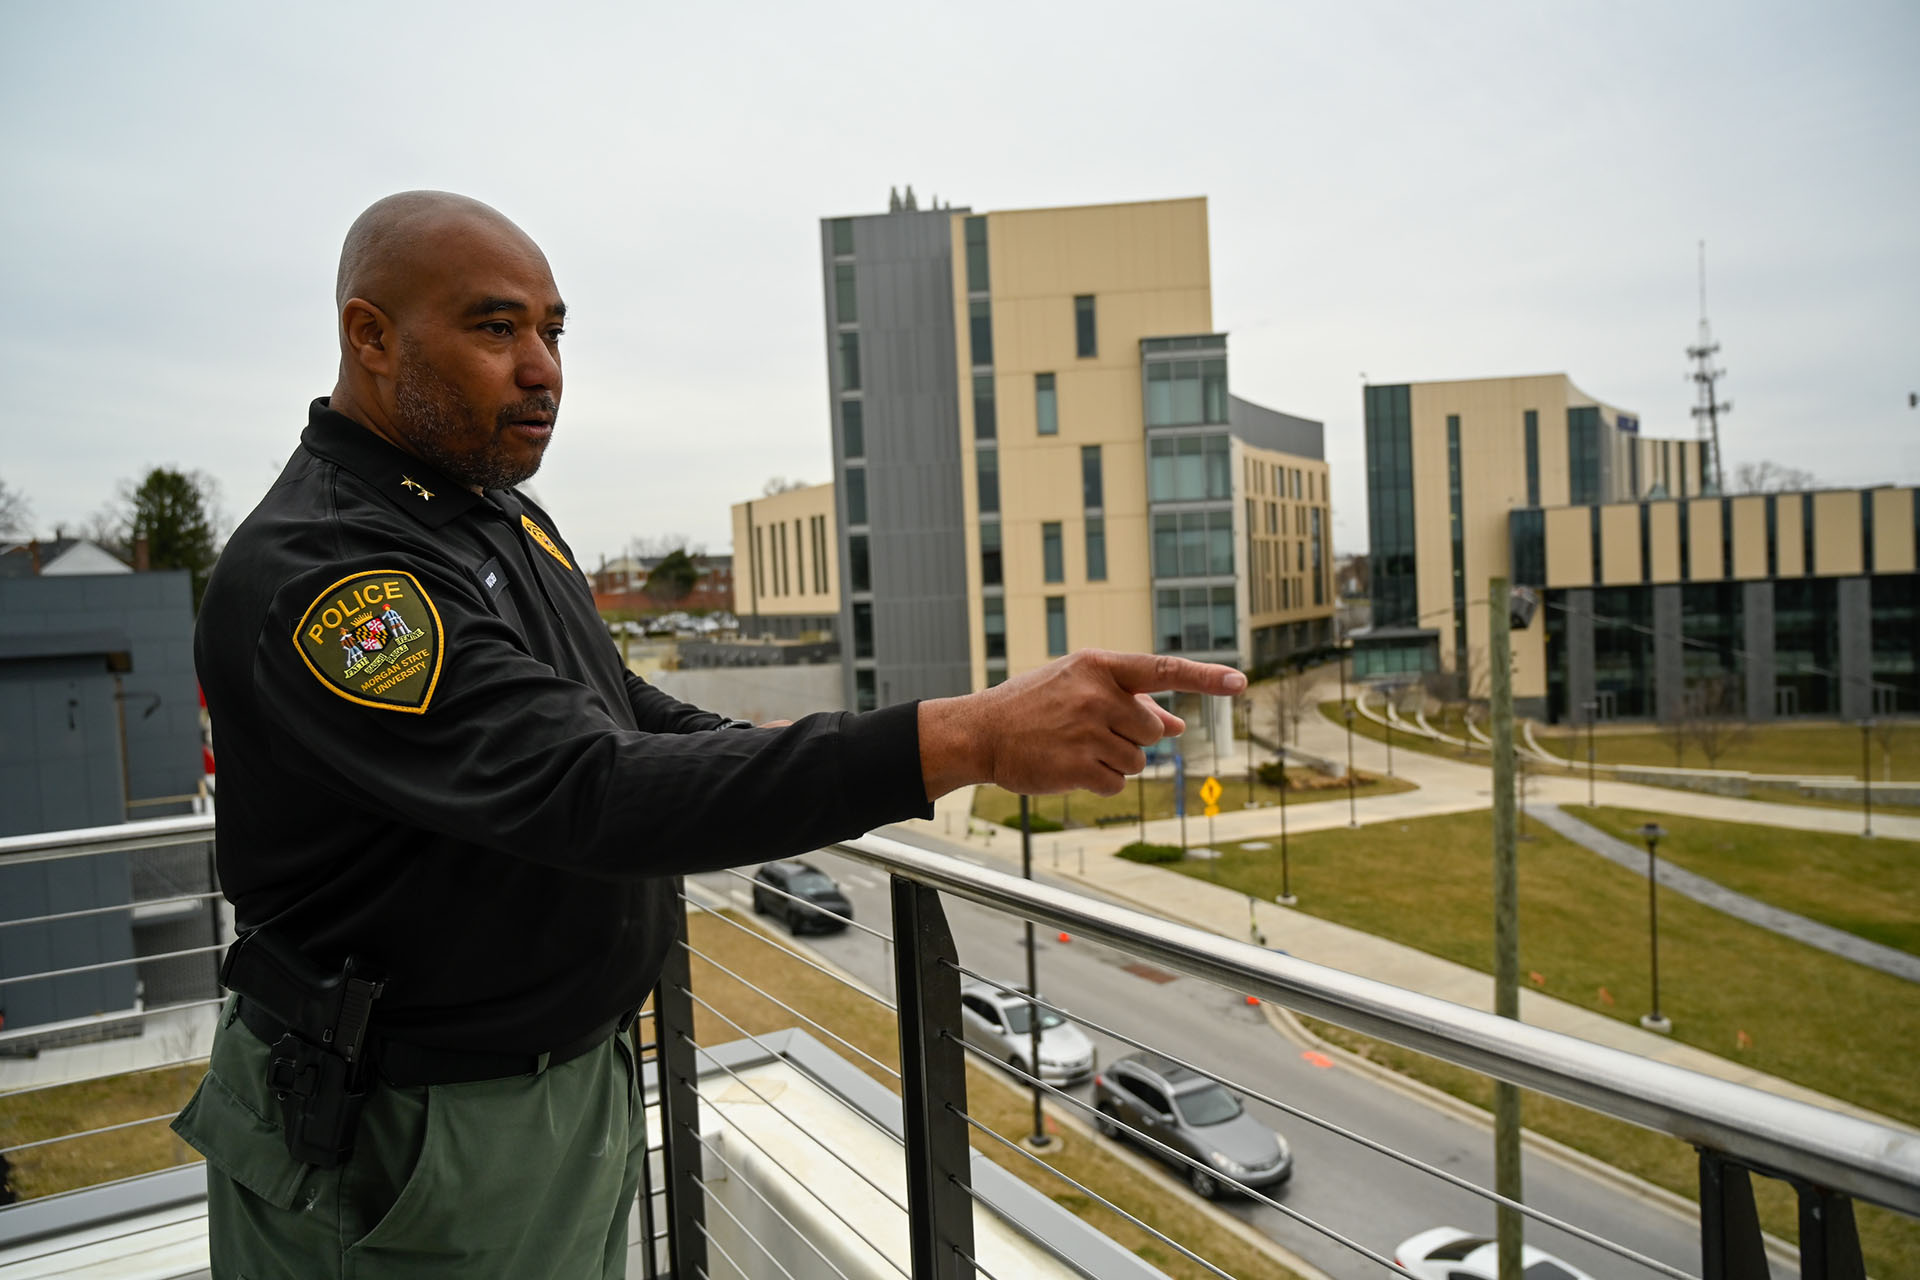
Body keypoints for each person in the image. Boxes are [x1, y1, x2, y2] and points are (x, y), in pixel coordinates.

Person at [173, 190, 1245, 1279]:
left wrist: (792, 750)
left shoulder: (490, 510)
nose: (543, 366)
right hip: (410, 1129)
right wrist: (966, 737)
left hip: (561, 1083)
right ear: (371, 334)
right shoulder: (338, 576)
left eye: (553, 330)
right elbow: (587, 787)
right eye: (498, 329)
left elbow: (619, 705)